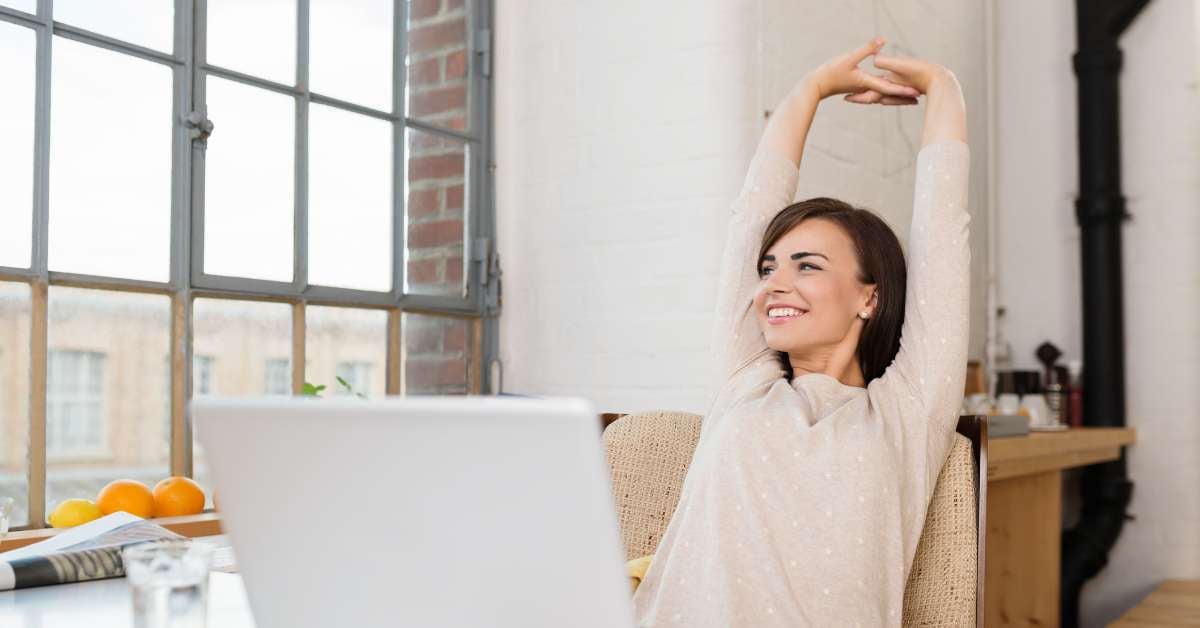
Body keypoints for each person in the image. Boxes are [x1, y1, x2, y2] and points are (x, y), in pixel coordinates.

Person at [628, 37, 970, 626]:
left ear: (870, 296)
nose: (771, 286)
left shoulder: (907, 414)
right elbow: (749, 220)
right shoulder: (744, 383)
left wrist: (943, 86)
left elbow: (944, 240)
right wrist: (808, 89)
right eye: (768, 269)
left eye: (807, 265)